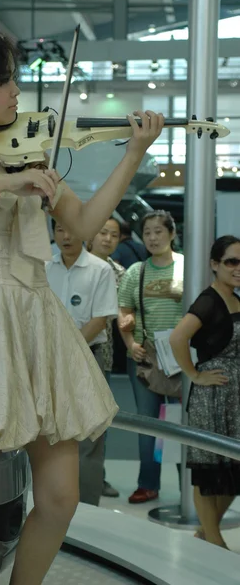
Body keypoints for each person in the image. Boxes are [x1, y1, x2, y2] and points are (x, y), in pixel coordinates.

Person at [0, 24, 164, 585]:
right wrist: (3, 186)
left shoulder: (24, 154)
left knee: (61, 498)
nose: (17, 92)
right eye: (4, 81)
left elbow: (86, 224)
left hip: (39, 324)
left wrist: (134, 151)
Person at [170, 235, 240, 548]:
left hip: (234, 400)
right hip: (211, 399)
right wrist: (194, 374)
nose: (238, 268)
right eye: (231, 262)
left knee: (231, 470)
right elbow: (177, 338)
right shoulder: (209, 301)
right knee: (208, 469)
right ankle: (213, 539)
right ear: (215, 265)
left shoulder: (236, 299)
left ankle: (206, 532)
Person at [46, 219, 118, 506]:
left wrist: (68, 348)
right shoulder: (43, 267)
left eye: (72, 228)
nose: (66, 235)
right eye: (60, 229)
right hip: (48, 358)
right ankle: (50, 506)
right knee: (49, 433)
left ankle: (88, 510)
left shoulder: (100, 269)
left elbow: (100, 319)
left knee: (90, 435)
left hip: (89, 356)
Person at [118, 210, 183, 504]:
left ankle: (190, 484)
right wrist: (130, 343)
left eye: (159, 231)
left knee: (185, 423)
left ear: (172, 233)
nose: (153, 238)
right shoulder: (136, 272)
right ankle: (148, 483)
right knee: (149, 423)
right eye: (147, 233)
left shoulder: (186, 266)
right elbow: (125, 312)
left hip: (183, 357)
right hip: (147, 358)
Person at [87, 217, 125, 498]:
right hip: (73, 348)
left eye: (114, 235)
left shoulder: (120, 273)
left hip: (104, 353)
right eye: (103, 232)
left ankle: (96, 477)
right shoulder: (76, 265)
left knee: (101, 421)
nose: (108, 239)